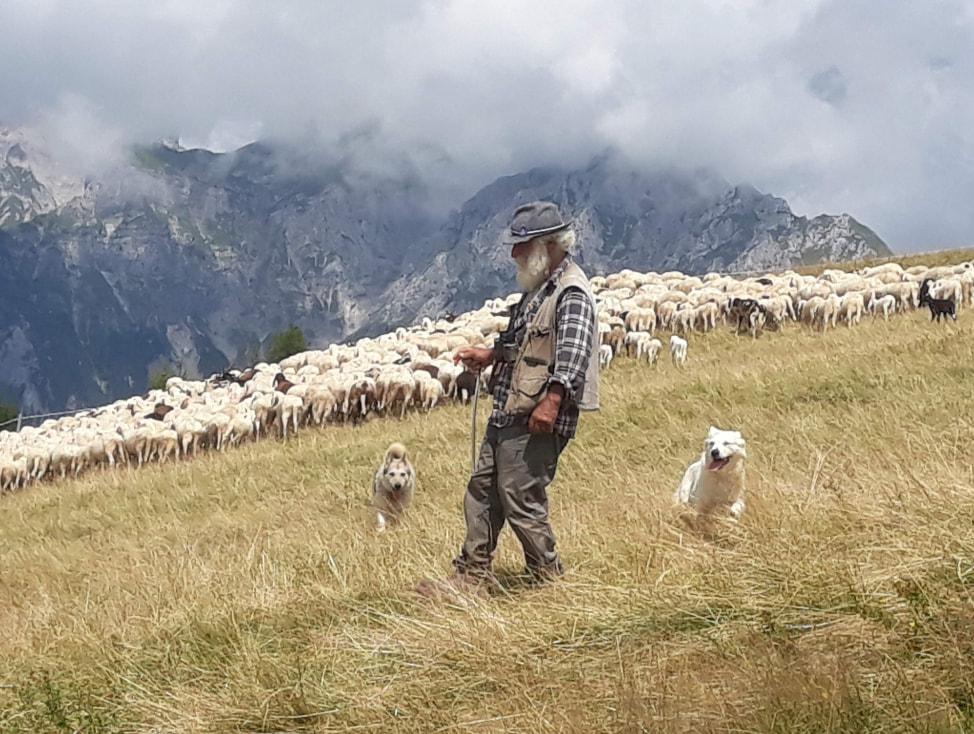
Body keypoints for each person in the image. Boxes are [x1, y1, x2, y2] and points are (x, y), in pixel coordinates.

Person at [417, 201, 600, 598]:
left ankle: (548, 579)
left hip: (537, 414)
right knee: (483, 488)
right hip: (510, 409)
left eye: (522, 245)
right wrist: (491, 355)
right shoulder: (539, 290)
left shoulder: (572, 293)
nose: (514, 253)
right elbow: (522, 342)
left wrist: (552, 402)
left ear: (547, 245)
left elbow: (573, 354)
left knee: (520, 497)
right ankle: (472, 574)